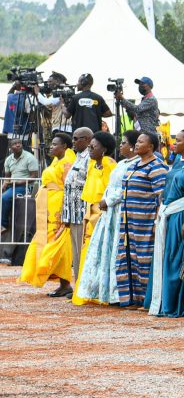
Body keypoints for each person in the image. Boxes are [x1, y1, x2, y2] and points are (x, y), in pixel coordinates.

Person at [76, 131, 139, 305]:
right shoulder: (122, 163)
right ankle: (104, 291)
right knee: (103, 252)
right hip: (106, 212)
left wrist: (108, 200)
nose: (121, 146)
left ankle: (117, 293)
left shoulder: (118, 164)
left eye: (124, 143)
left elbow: (124, 188)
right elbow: (110, 186)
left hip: (118, 212)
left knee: (115, 254)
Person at [150, 129, 184, 317]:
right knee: (168, 255)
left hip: (182, 214)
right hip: (170, 211)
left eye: (178, 140)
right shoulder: (179, 160)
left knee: (176, 257)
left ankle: (176, 303)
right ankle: (164, 301)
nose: (174, 143)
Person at [19, 134, 76, 294]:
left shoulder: (67, 163)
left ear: (64, 146)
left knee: (58, 243)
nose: (51, 147)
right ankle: (63, 284)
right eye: (51, 144)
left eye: (55, 144)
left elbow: (68, 189)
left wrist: (66, 210)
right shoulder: (56, 161)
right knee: (45, 240)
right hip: (48, 207)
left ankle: (65, 284)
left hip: (58, 208)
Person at [118, 132, 168, 308]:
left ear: (151, 146)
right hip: (128, 222)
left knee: (145, 259)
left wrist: (157, 222)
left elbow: (161, 197)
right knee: (129, 258)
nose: (136, 144)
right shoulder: (133, 166)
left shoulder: (157, 167)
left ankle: (148, 300)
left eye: (141, 142)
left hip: (146, 222)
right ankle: (133, 298)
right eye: (137, 141)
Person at [71, 132, 117, 306]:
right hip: (90, 213)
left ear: (104, 149)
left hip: (103, 214)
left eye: (93, 146)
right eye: (89, 146)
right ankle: (85, 291)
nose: (90, 149)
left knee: (101, 253)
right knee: (88, 253)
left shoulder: (109, 165)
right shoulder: (92, 165)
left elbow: (110, 192)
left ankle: (101, 293)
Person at [62, 127, 94, 289]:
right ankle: (78, 286)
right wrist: (66, 215)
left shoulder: (90, 157)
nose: (73, 142)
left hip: (83, 212)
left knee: (82, 252)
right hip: (73, 213)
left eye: (76, 138)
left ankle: (83, 287)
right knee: (76, 254)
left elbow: (89, 183)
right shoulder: (78, 157)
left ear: (87, 139)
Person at [1, 138, 39, 231]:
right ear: (10, 148)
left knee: (4, 198)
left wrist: (18, 182)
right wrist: (3, 187)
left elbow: (34, 176)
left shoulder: (30, 157)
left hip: (26, 186)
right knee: (2, 196)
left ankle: (3, 225)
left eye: (19, 143)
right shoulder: (8, 159)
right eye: (14, 144)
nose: (18, 145)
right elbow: (7, 178)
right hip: (13, 186)